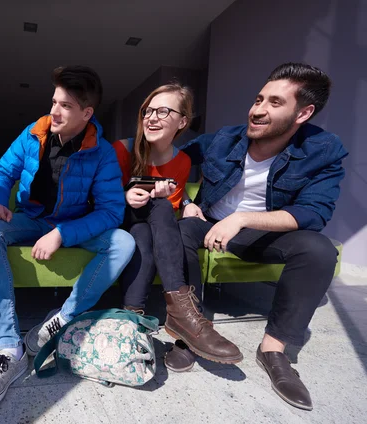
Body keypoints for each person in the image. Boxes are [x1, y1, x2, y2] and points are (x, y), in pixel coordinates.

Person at [179, 62, 348, 410]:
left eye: (274, 102)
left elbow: (314, 213)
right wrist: (183, 201)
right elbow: (170, 158)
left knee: (319, 250)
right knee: (177, 229)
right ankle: (190, 330)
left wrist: (242, 219)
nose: (257, 110)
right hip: (207, 221)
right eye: (258, 99)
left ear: (303, 113)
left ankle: (274, 350)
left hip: (259, 234)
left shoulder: (324, 150)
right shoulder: (225, 138)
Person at [0, 65, 135, 413]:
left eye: (65, 106)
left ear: (86, 113)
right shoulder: (33, 133)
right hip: (30, 218)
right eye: (53, 102)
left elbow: (110, 212)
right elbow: (2, 172)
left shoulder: (102, 152)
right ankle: (8, 345)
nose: (54, 111)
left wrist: (63, 233)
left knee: (123, 242)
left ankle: (65, 315)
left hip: (72, 224)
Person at [114, 84, 242, 372]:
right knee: (157, 209)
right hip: (116, 218)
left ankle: (132, 318)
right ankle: (183, 311)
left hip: (146, 227)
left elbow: (169, 206)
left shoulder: (182, 161)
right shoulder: (122, 149)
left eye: (163, 111)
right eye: (147, 111)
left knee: (151, 225)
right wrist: (124, 196)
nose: (151, 117)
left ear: (182, 122)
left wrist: (184, 203)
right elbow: (96, 197)